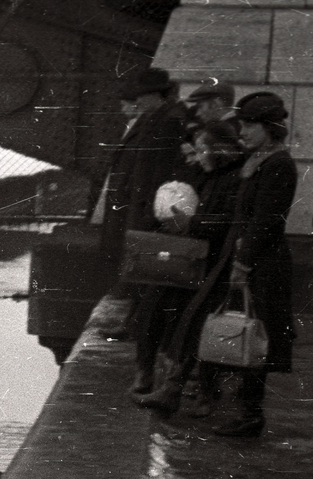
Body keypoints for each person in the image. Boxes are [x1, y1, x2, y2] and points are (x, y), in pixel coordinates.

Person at [132, 120, 245, 414]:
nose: (199, 155)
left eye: (203, 149)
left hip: (217, 262)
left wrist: (191, 223)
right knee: (181, 320)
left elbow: (231, 222)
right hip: (202, 259)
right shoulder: (212, 175)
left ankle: (194, 393)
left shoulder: (233, 179)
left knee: (201, 327)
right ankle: (175, 386)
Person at [209, 91, 298, 437]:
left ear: (269, 127)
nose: (242, 131)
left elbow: (266, 221)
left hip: (263, 264)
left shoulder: (278, 164)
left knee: (253, 338)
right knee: (246, 333)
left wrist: (242, 266)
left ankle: (250, 414)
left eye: (249, 125)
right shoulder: (262, 159)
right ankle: (245, 410)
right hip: (253, 258)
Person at [95, 67, 190, 386]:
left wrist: (150, 214)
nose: (137, 99)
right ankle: (132, 324)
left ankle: (134, 331)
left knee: (144, 273)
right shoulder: (158, 116)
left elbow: (159, 173)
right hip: (135, 208)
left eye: (142, 94)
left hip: (145, 211)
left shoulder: (168, 119)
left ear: (155, 94)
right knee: (139, 271)